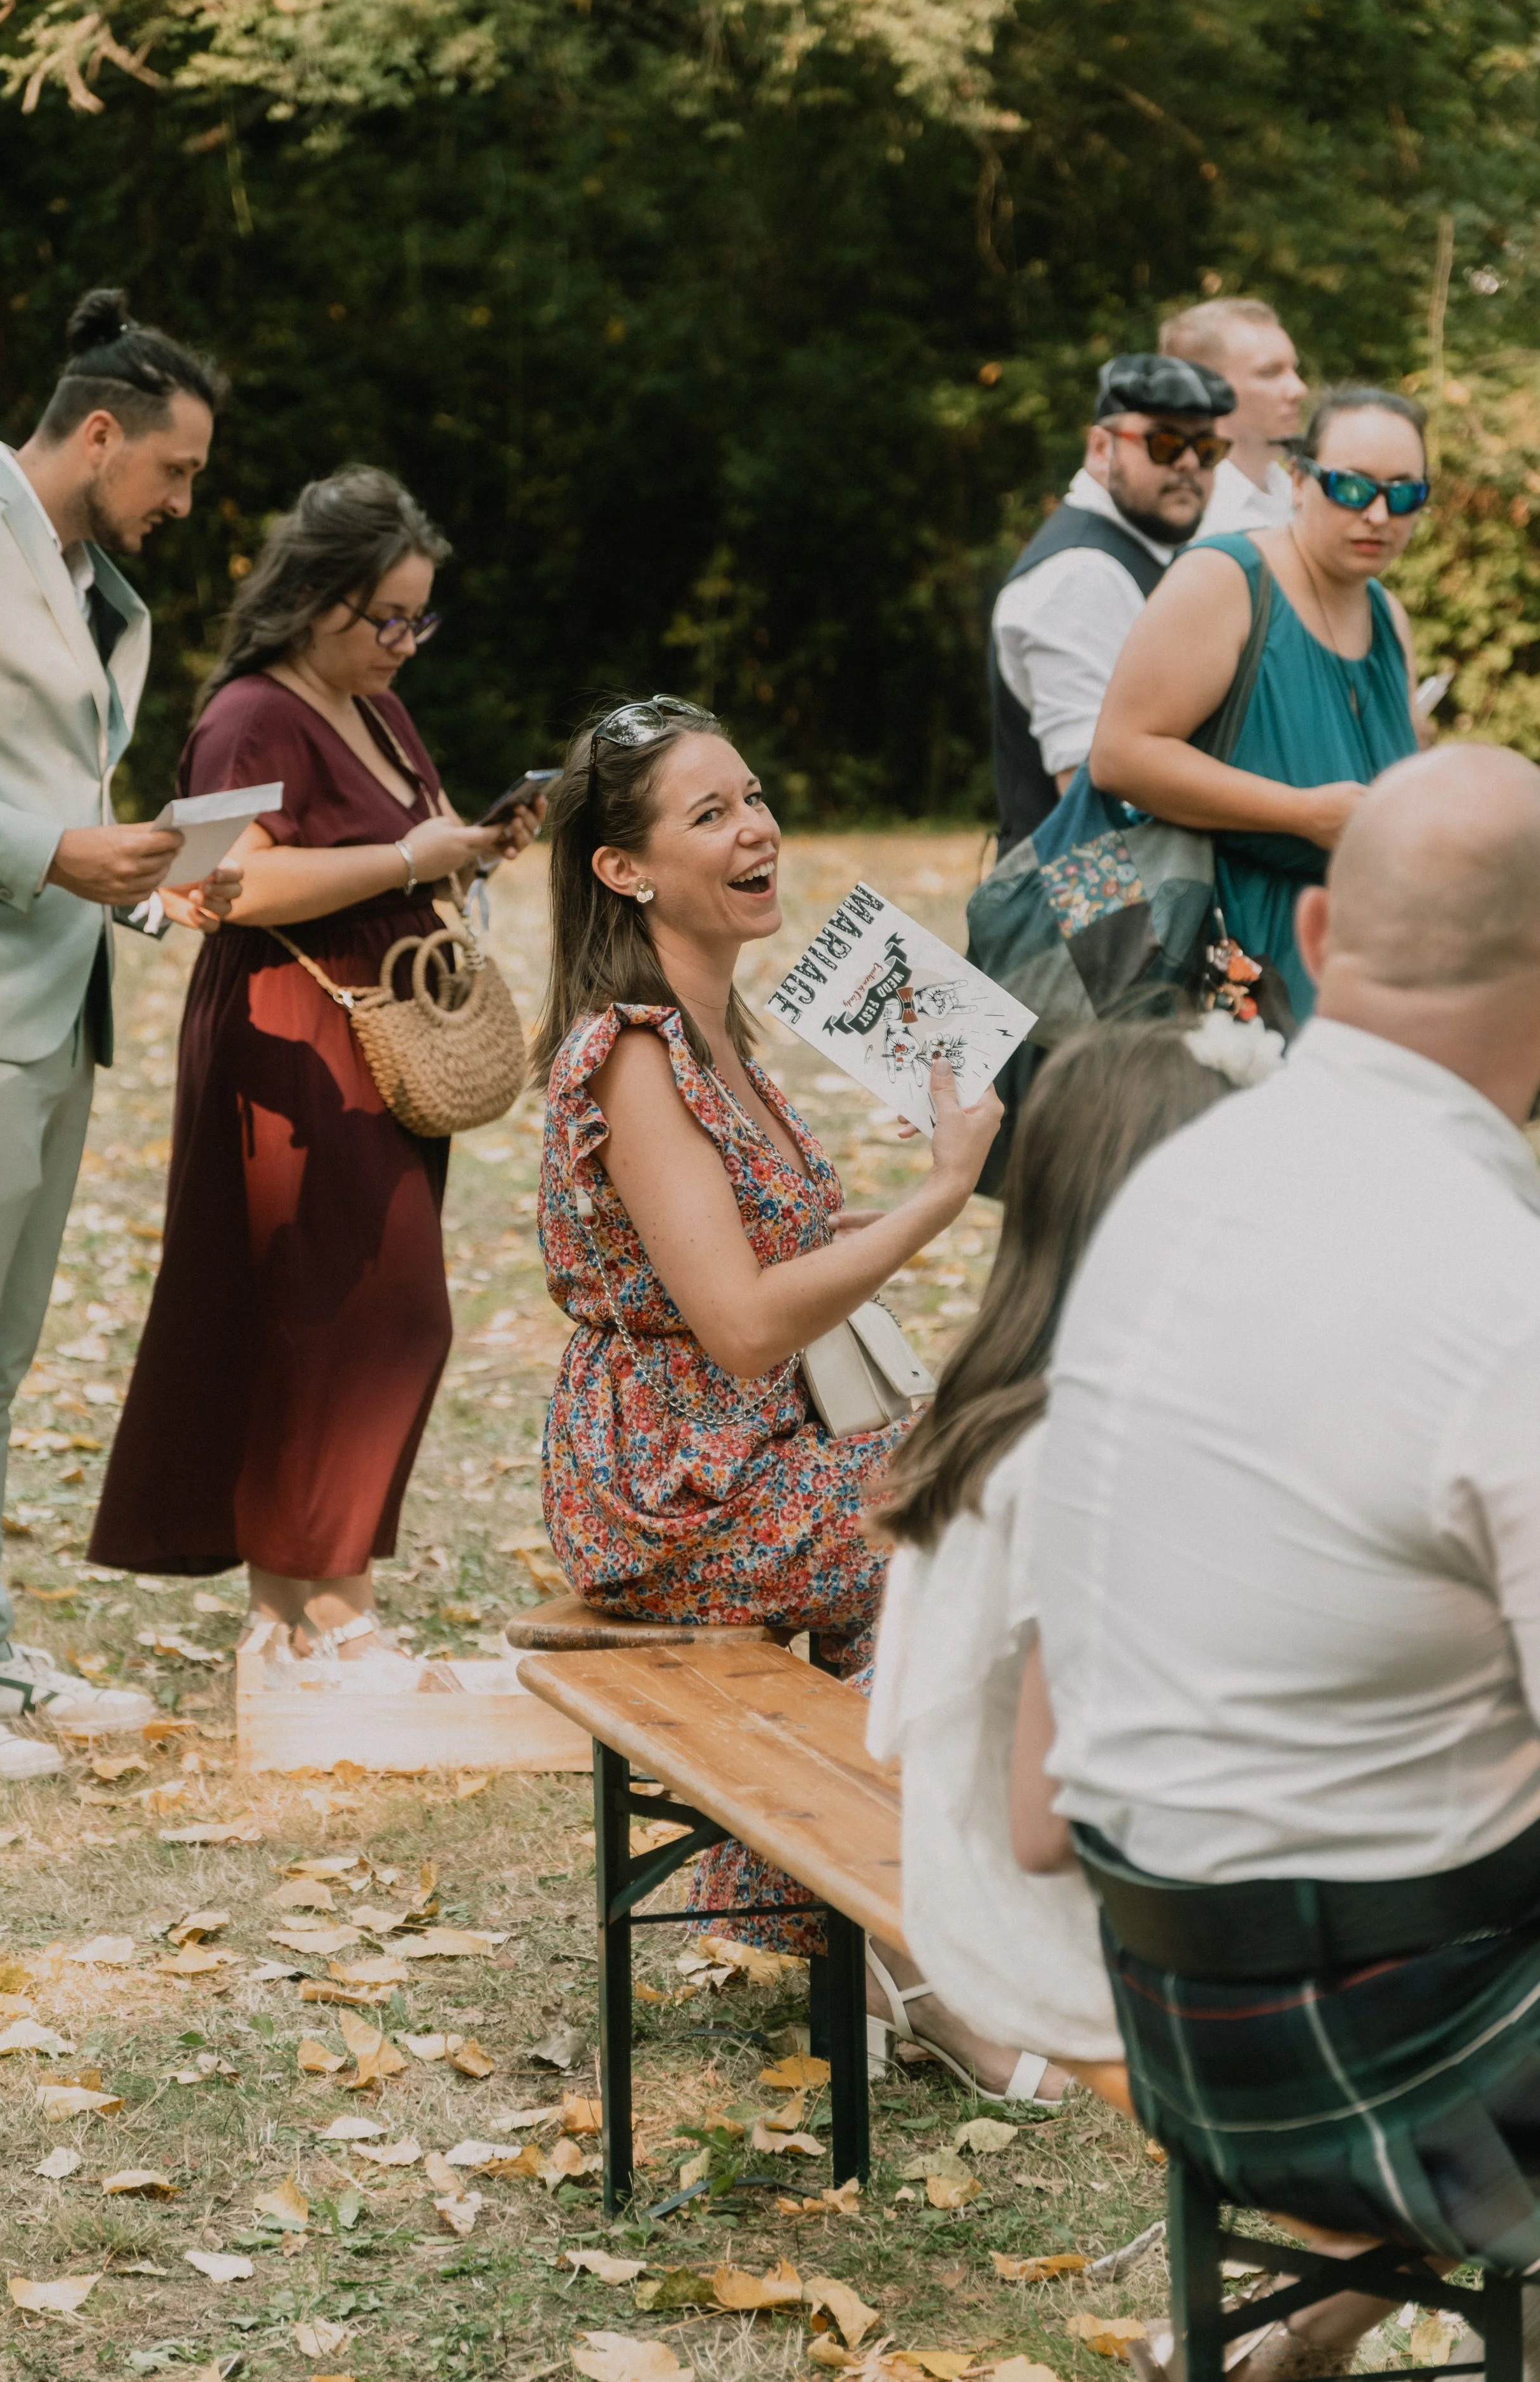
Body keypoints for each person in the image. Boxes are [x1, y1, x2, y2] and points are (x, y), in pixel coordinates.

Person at [1022, 746, 1540, 2357]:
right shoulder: (1495, 1285)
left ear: (1314, 932)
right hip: (1423, 2045)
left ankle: (1305, 2331)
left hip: (1177, 2019)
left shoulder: (1172, 1195)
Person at [534, 694, 1003, 1968]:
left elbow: (742, 1247)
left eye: (751, 798)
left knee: (945, 1531)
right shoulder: (634, 1055)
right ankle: (808, 1891)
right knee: (973, 1519)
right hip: (676, 1487)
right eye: (711, 813)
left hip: (754, 1453)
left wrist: (878, 1204)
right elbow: (739, 1326)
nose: (757, 830)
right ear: (622, 871)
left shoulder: (721, 1036)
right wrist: (934, 1200)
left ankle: (867, 1924)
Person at [89, 468, 543, 1670]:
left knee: (365, 1314)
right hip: (292, 1035)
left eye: (419, 618)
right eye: (386, 617)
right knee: (336, 1312)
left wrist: (471, 849)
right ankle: (315, 1611)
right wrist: (406, 860)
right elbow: (226, 883)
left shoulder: (381, 711)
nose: (405, 642)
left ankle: (300, 1609)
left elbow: (412, 840)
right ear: (315, 599)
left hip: (387, 1033)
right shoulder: (254, 712)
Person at [867, 1011, 1276, 2111]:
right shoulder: (1085, 1465)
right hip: (1051, 1946)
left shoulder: (1010, 1400)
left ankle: (1344, 2278)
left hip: (980, 1889)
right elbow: (1053, 1825)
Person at [0, 287, 234, 1778]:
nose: (183, 503)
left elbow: (53, 786)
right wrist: (53, 856)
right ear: (101, 431)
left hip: (56, 1010)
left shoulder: (86, 578)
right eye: (174, 472)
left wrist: (150, 890)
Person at [1088, 385, 1425, 1030]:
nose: (1379, 514)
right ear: (1298, 481)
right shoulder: (1226, 580)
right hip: (1219, 977)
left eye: (1405, 493)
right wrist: (1302, 814)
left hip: (1356, 982)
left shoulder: (1389, 617)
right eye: (1351, 488)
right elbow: (1119, 756)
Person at [988, 351, 1234, 858]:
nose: (1189, 463)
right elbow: (1093, 801)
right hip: (1080, 919)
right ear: (1101, 448)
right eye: (1164, 443)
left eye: (1206, 448)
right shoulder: (1080, 575)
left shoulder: (1144, 554)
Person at [1159, 296, 1307, 538]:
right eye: (1270, 373)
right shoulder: (1190, 515)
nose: (1299, 389)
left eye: (1294, 370)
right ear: (1204, 390)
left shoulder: (1293, 490)